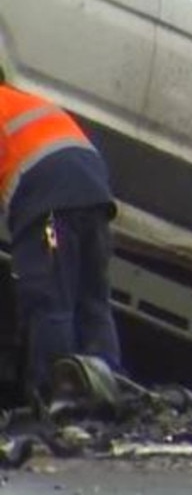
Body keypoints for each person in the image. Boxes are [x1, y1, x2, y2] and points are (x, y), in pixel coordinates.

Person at [0, 82, 121, 400]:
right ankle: (110, 391)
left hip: (49, 203)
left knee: (48, 301)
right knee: (92, 300)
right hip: (94, 194)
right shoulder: (20, 100)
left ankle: (57, 398)